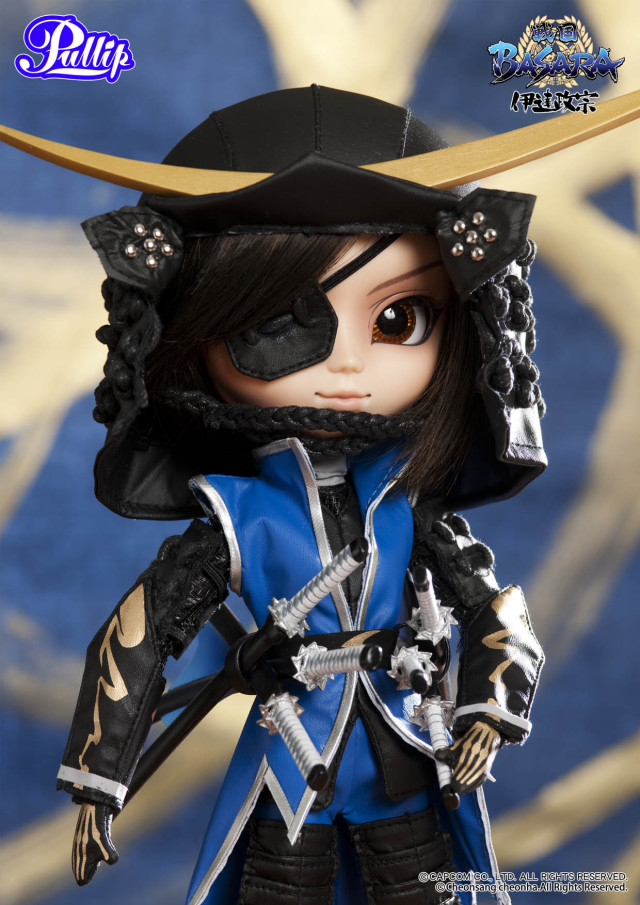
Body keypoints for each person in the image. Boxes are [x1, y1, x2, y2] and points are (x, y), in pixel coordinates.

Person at [6, 86, 561, 904]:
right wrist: (99, 776)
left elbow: (494, 609)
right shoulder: (241, 517)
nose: (347, 367)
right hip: (293, 759)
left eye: (400, 319)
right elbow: (140, 637)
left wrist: (490, 707)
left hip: (406, 750)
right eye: (278, 326)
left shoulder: (409, 506)